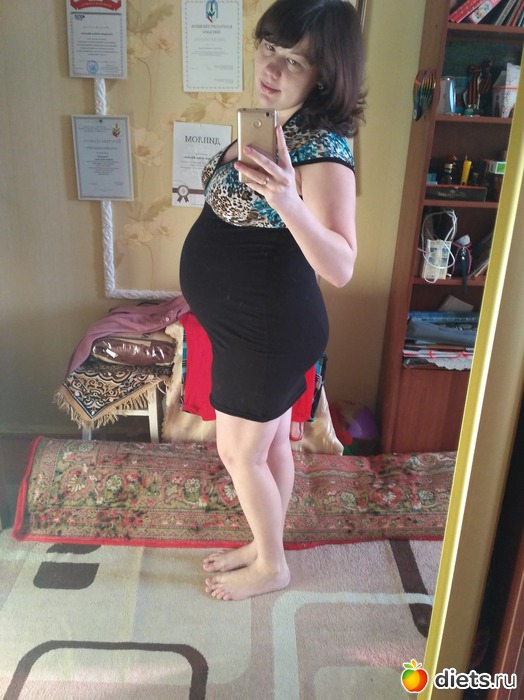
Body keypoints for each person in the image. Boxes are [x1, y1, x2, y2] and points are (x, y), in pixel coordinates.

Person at [179, 0, 365, 601]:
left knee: (241, 454)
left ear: (325, 74)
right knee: (269, 446)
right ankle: (267, 547)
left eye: (295, 61)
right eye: (269, 48)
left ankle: (271, 568)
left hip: (266, 329)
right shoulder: (276, 120)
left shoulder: (323, 147)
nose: (272, 68)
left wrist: (288, 199)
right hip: (255, 323)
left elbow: (341, 264)